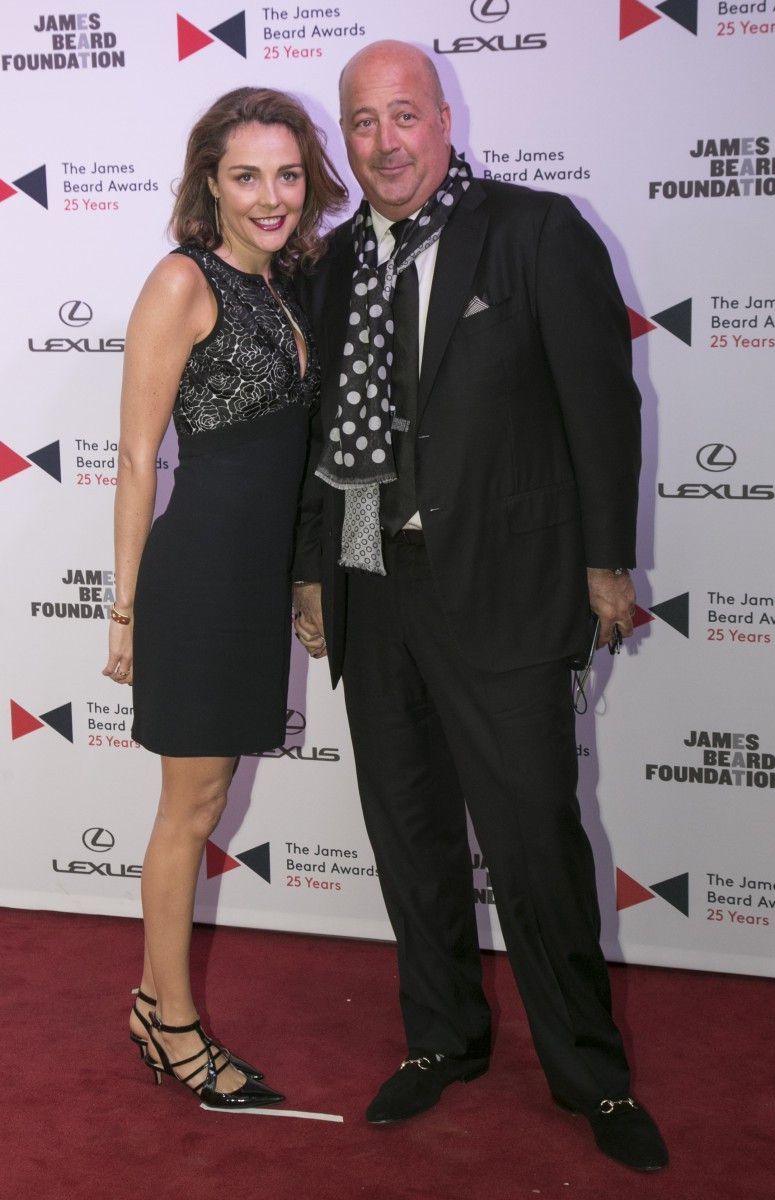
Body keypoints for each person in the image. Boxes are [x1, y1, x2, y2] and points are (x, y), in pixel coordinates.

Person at [292, 42, 667, 1171]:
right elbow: (316, 440)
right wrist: (311, 571)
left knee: (533, 841)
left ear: (444, 120)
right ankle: (441, 1038)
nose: (384, 143)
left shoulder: (534, 230)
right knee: (408, 834)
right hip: (372, 582)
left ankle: (591, 1076)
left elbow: (600, 405)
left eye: (403, 115)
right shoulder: (332, 261)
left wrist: (607, 562)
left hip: (507, 588)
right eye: (362, 122)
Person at [102, 87, 346, 1109]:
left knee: (202, 803)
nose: (270, 196)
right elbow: (135, 458)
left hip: (253, 582)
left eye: (286, 174)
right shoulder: (182, 280)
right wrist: (124, 609)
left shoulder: (289, 285)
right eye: (247, 176)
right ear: (210, 182)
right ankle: (172, 1026)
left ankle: (150, 1004)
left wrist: (302, 577)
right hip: (200, 578)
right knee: (190, 809)